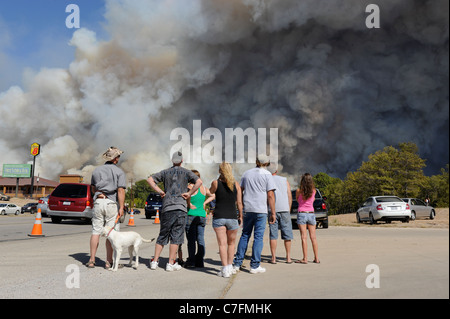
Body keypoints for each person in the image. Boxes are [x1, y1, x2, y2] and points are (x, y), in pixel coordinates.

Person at [147, 151, 202, 271]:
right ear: (182, 161)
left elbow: (150, 180)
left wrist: (160, 191)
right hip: (180, 207)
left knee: (163, 235)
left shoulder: (165, 172)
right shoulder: (187, 172)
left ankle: (155, 261)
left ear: (172, 161)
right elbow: (199, 182)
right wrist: (189, 193)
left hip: (167, 207)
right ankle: (170, 263)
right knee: (176, 236)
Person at [233, 155, 276, 274]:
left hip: (248, 208)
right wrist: (273, 212)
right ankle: (255, 265)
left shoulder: (246, 173)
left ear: (256, 161)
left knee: (245, 235)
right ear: (267, 162)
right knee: (258, 237)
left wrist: (240, 208)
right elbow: (271, 195)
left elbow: (240, 191)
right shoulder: (267, 175)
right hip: (261, 210)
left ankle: (237, 263)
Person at [87, 146, 126, 269]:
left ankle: (92, 260)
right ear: (115, 159)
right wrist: (121, 207)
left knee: (95, 232)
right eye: (118, 156)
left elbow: (93, 188)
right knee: (111, 233)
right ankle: (109, 261)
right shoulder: (119, 172)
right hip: (111, 203)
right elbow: (120, 190)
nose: (119, 158)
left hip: (99, 201)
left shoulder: (96, 171)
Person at [209, 162, 243, 278]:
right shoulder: (236, 185)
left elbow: (210, 192)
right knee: (231, 244)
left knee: (222, 244)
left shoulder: (215, 183)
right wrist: (241, 216)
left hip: (219, 216)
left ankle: (224, 270)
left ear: (220, 171)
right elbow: (239, 203)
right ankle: (229, 266)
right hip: (232, 217)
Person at [185, 170, 215, 268]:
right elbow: (213, 195)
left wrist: (189, 204)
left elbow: (187, 196)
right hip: (202, 216)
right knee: (201, 239)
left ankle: (191, 261)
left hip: (191, 214)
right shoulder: (204, 188)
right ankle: (200, 261)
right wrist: (205, 203)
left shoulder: (189, 187)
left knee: (191, 240)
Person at [267, 162, 293, 264]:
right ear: (277, 170)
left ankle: (273, 258)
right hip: (284, 210)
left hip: (272, 210)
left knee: (273, 235)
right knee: (287, 234)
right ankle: (288, 258)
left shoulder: (267, 180)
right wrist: (288, 208)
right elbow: (289, 195)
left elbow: (268, 196)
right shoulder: (284, 180)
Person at [295, 173, 320, 264]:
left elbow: (298, 200)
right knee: (313, 237)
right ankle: (316, 258)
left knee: (304, 237)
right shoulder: (314, 191)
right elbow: (312, 201)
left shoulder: (299, 191)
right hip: (311, 214)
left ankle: (305, 258)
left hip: (302, 213)